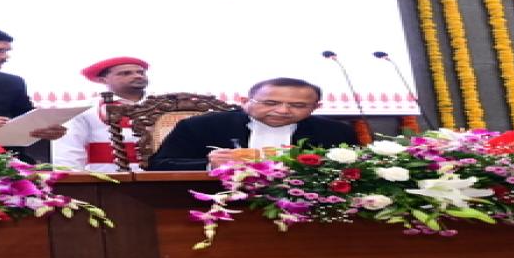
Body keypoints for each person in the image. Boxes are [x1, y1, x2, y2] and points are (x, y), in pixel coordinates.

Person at [149, 77, 359, 170]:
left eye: (297, 105)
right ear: (245, 102)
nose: (283, 111)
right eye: (270, 103)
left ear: (315, 107)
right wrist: (209, 165)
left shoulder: (336, 132)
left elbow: (356, 170)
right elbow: (158, 166)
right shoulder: (200, 126)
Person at [53, 57, 150, 172]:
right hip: (105, 183)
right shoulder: (83, 109)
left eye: (141, 72)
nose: (138, 76)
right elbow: (68, 153)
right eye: (125, 73)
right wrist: (71, 184)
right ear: (103, 80)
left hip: (162, 181)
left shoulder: (168, 105)